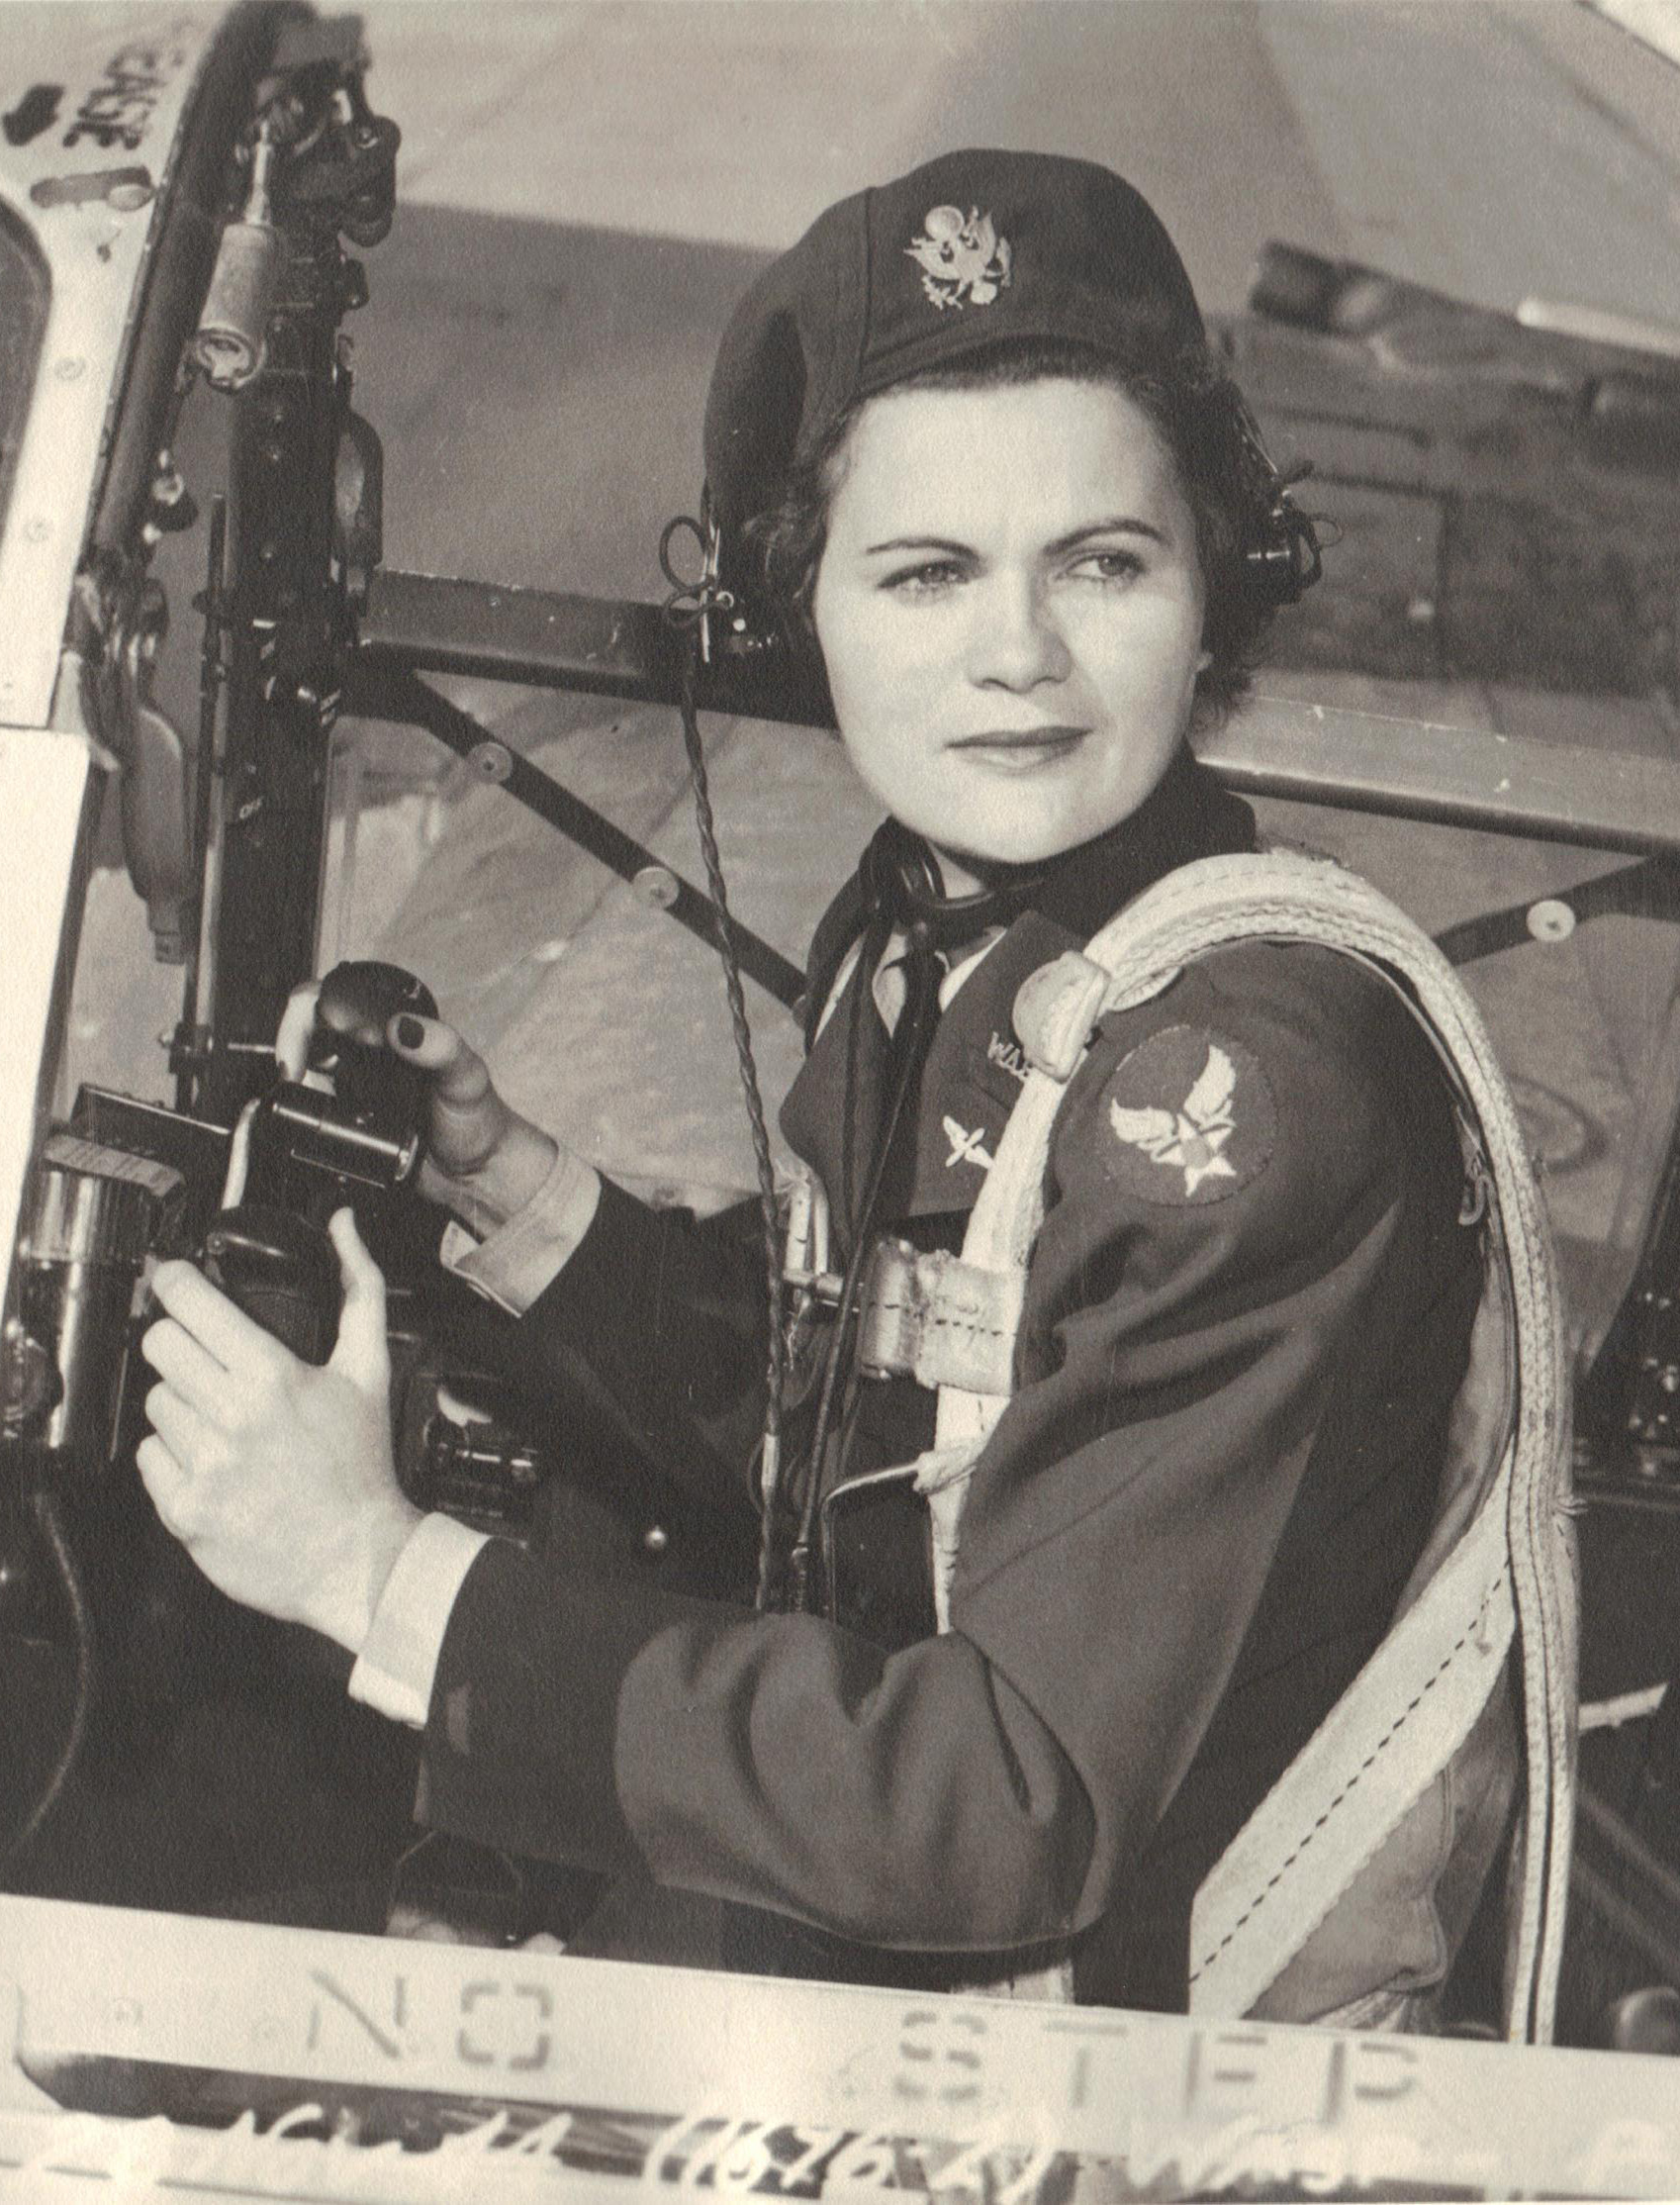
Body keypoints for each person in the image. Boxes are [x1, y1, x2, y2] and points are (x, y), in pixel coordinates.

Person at [136, 150, 1572, 2027]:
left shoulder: (1237, 1083)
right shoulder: (936, 933)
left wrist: (376, 1571)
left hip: (1135, 2059)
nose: (1018, 656)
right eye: (924, 573)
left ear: (1220, 585)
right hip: (946, 1935)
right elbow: (903, 1427)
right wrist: (530, 1197)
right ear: (785, 606)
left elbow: (1005, 1812)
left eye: (1103, 563)